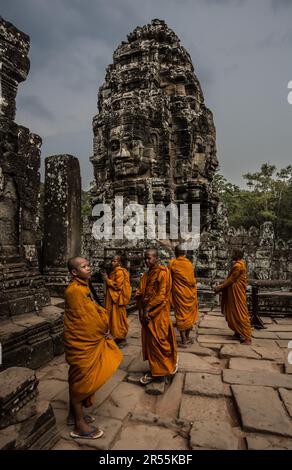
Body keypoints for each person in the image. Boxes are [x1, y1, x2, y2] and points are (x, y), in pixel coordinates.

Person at [64, 256, 122, 439]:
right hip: (82, 342)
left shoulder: (82, 286)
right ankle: (79, 424)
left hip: (88, 340)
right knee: (81, 381)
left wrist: (103, 326)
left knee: (80, 379)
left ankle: (73, 414)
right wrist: (102, 330)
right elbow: (84, 321)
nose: (89, 268)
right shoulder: (74, 291)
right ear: (74, 272)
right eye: (84, 266)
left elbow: (91, 313)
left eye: (88, 265)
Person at [135, 248, 178, 385]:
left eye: (150, 258)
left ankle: (161, 371)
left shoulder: (163, 273)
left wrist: (148, 308)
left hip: (158, 312)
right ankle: (157, 370)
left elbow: (161, 295)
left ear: (157, 258)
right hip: (148, 313)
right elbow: (141, 293)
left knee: (159, 340)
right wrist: (142, 310)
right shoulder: (147, 275)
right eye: (145, 258)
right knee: (152, 342)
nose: (147, 261)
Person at [214, 249, 252, 345]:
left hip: (237, 294)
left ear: (237, 255)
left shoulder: (238, 266)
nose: (231, 255)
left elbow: (231, 280)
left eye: (233, 253)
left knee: (240, 314)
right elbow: (229, 279)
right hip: (234, 293)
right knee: (233, 312)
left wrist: (219, 287)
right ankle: (237, 332)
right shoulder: (240, 264)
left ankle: (247, 337)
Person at [169, 244, 198, 347]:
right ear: (185, 253)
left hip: (178, 293)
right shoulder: (189, 264)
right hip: (189, 293)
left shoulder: (172, 263)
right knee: (189, 315)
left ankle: (184, 340)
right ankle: (186, 338)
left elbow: (169, 279)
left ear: (175, 253)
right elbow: (192, 280)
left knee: (180, 315)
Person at [102, 254, 131, 347]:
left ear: (119, 262)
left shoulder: (119, 272)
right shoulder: (114, 271)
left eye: (114, 261)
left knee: (118, 319)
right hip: (113, 298)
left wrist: (106, 279)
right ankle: (118, 337)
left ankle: (122, 338)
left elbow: (117, 286)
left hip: (117, 299)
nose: (112, 262)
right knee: (113, 318)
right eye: (112, 261)